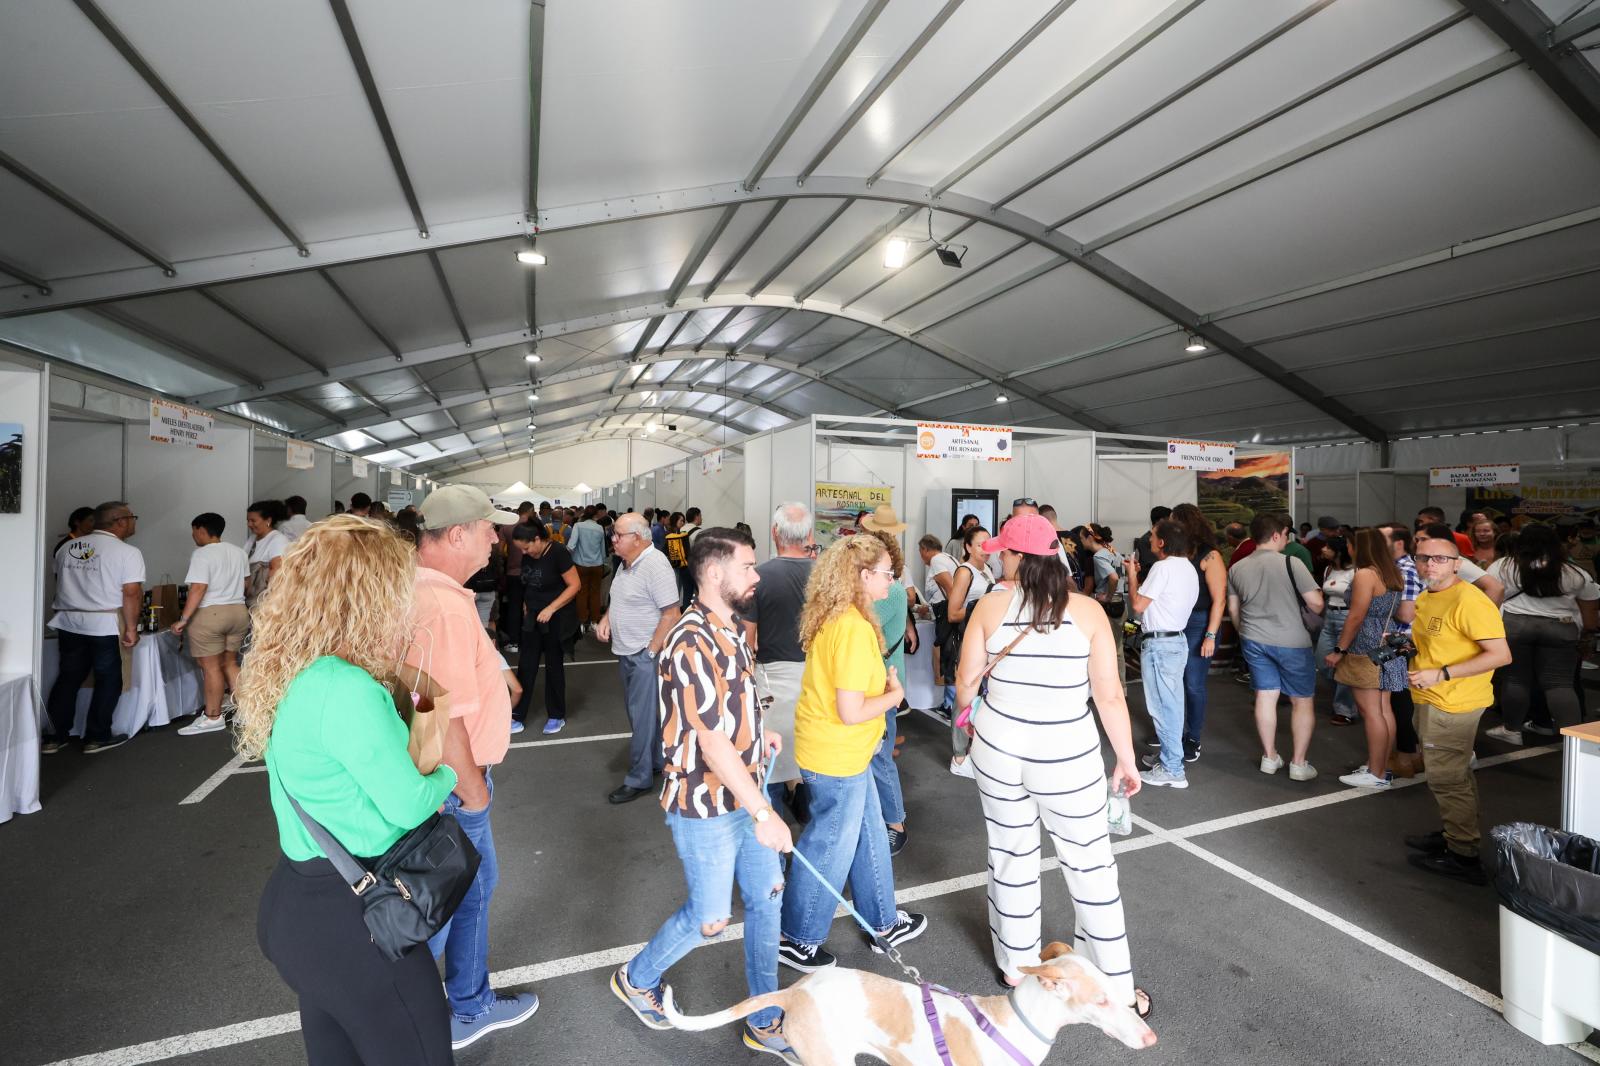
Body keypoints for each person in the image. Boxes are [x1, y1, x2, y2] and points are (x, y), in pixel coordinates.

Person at [236, 515, 460, 1065]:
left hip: (301, 904)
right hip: (357, 920)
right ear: (368, 593)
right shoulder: (347, 686)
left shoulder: (294, 668)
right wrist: (447, 775)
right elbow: (407, 804)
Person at [610, 527, 800, 1062]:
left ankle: (764, 1020)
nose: (756, 576)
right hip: (706, 807)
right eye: (748, 566)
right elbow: (712, 741)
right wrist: (764, 810)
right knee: (709, 918)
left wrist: (761, 736)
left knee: (766, 900)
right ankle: (636, 977)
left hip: (744, 789)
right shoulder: (690, 640)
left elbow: (730, 712)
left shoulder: (731, 628)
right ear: (715, 574)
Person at [954, 514, 1148, 1019]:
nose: (998, 556)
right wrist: (1126, 760)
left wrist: (972, 720)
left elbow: (965, 683)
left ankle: (1016, 966)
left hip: (998, 748)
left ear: (1018, 558)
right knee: (1090, 866)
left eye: (1004, 552)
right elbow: (1109, 695)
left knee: (1011, 851)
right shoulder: (1086, 613)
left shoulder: (990, 606)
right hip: (1066, 754)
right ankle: (1116, 988)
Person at [408, 485, 540, 1048]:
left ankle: (455, 1001)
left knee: (461, 890)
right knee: (459, 892)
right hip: (453, 781)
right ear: (457, 534)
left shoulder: (430, 592)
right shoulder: (441, 603)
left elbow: (423, 693)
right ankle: (442, 1009)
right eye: (490, 529)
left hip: (435, 776)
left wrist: (496, 670)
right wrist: (471, 792)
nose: (498, 538)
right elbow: (437, 708)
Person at [778, 535, 926, 973]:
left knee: (871, 836)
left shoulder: (839, 617)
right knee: (829, 848)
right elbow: (850, 710)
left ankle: (883, 922)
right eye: (885, 573)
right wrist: (894, 694)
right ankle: (798, 938)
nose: (892, 581)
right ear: (862, 576)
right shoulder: (854, 627)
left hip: (842, 752)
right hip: (837, 755)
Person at [1404, 533, 1511, 884]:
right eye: (1423, 558)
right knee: (1454, 774)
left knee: (1447, 778)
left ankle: (1463, 854)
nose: (1429, 564)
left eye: (1439, 558)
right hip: (1430, 698)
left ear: (1456, 564)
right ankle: (1456, 834)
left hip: (1454, 702)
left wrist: (1443, 673)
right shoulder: (1427, 595)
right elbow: (1436, 642)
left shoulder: (1470, 600)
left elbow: (1500, 655)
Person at [1227, 513, 1325, 781]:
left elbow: (1234, 609)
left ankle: (1269, 757)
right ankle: (1298, 763)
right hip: (1293, 641)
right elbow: (1316, 604)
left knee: (1265, 697)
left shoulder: (1237, 567)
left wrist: (1244, 632)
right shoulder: (1292, 563)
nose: (1286, 539)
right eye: (1285, 534)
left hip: (1254, 640)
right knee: (1301, 701)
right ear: (1275, 535)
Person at [42, 500, 144, 755]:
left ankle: (55, 736)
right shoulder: (126, 552)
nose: (133, 522)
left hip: (68, 621)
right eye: (132, 517)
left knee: (69, 677)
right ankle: (97, 736)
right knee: (108, 679)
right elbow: (131, 593)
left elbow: (61, 581)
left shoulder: (67, 548)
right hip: (103, 623)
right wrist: (131, 627)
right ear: (120, 521)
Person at [1484, 523, 1599, 744]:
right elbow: (1590, 606)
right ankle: (1575, 741)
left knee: (1515, 680)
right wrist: (1588, 633)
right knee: (1559, 684)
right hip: (1561, 627)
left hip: (1514, 626)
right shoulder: (1572, 571)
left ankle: (1512, 730)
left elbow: (1488, 592)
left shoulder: (1504, 566)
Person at [597, 512, 682, 804]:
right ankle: (656, 762)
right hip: (628, 651)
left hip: (644, 655)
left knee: (642, 718)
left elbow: (672, 613)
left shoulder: (654, 565)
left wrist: (651, 651)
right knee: (645, 716)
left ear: (638, 538)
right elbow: (619, 598)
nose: (613, 539)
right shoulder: (627, 563)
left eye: (618, 535)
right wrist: (607, 617)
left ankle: (639, 778)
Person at [1323, 529, 1412, 790]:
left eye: (1351, 545)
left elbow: (1356, 616)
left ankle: (1375, 772)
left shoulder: (1365, 574)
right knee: (1384, 710)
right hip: (1388, 642)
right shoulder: (1392, 572)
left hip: (1366, 644)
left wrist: (1339, 649)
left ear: (1358, 548)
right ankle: (1381, 767)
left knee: (1371, 711)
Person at [746, 503, 817, 823]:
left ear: (775, 533)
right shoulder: (825, 576)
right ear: (810, 535)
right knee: (812, 750)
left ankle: (769, 831)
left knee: (770, 759)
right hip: (818, 675)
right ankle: (805, 797)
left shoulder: (758, 577)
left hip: (771, 677)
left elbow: (747, 640)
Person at [1127, 519, 1200, 788]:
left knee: (1163, 707)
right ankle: (1170, 757)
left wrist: (1132, 577)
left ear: (1162, 543)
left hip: (1160, 645)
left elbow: (1137, 605)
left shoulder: (1162, 567)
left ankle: (1172, 769)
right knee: (1171, 705)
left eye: (1153, 536)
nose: (1149, 540)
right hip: (1175, 641)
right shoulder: (1188, 568)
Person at [862, 510, 913, 856]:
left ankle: (896, 825)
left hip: (881, 683)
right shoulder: (891, 584)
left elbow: (865, 624)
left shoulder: (889, 591)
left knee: (880, 759)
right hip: (876, 682)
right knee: (873, 755)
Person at [172, 513, 250, 735]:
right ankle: (246, 712)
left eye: (194, 530)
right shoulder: (239, 552)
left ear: (201, 529)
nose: (193, 535)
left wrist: (184, 619)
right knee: (230, 663)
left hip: (211, 614)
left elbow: (198, 588)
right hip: (238, 611)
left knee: (211, 667)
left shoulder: (202, 554)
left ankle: (213, 716)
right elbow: (246, 583)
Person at [1169, 503, 1227, 763]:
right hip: (1175, 621)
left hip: (1199, 624)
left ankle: (1192, 737)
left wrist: (1211, 635)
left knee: (1192, 684)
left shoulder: (1210, 555)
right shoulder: (1178, 553)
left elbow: (1219, 600)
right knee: (1173, 683)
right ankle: (1172, 733)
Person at [511, 520, 579, 736]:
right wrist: (525, 604)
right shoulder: (528, 555)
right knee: (526, 666)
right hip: (533, 617)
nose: (524, 551)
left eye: (527, 547)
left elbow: (575, 585)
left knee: (553, 667)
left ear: (538, 539)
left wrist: (551, 608)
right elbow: (529, 583)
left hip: (556, 619)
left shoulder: (558, 553)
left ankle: (556, 715)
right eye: (521, 548)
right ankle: (518, 716)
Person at [943, 525, 994, 778]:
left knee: (981, 697)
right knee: (965, 695)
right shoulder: (965, 572)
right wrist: (981, 608)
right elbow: (953, 613)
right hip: (970, 640)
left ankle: (974, 750)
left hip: (987, 641)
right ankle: (959, 755)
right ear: (967, 547)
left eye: (989, 543)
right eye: (980, 544)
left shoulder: (989, 570)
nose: (986, 548)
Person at [1313, 535, 1359, 726]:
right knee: (1322, 660)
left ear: (1337, 551)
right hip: (1329, 616)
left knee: (1344, 665)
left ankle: (1344, 709)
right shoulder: (1328, 569)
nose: (1323, 549)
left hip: (1346, 616)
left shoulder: (1355, 572)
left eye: (1328, 547)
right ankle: (1349, 694)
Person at [918, 532, 959, 711]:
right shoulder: (949, 558)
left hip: (947, 617)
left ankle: (950, 704)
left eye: (921, 552)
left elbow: (951, 589)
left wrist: (951, 613)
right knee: (950, 657)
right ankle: (949, 701)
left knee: (947, 657)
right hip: (947, 614)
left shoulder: (936, 561)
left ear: (925, 549)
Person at [498, 502, 536, 651]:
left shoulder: (506, 528)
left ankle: (513, 641)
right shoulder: (534, 528)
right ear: (531, 511)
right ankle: (531, 640)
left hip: (512, 572)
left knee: (514, 607)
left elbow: (500, 551)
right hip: (533, 573)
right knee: (532, 606)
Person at [567, 506, 608, 633]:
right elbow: (602, 550)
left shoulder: (578, 526)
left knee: (581, 592)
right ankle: (594, 621)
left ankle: (582, 621)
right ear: (596, 515)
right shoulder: (600, 528)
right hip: (597, 564)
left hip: (581, 564)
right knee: (595, 593)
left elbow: (571, 546)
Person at [245, 500, 290, 607]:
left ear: (268, 520)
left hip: (265, 603)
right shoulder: (252, 539)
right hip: (250, 600)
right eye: (248, 521)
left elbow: (277, 571)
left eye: (253, 521)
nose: (249, 524)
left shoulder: (278, 540)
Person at [1132, 506, 1171, 579]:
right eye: (1169, 520)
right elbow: (1153, 566)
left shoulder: (1154, 539)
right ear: (1161, 521)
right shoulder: (1146, 541)